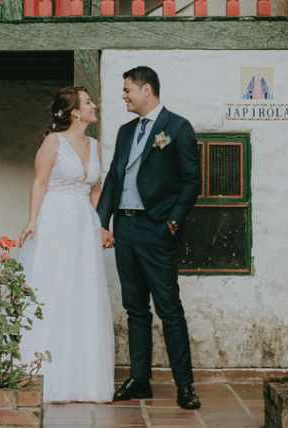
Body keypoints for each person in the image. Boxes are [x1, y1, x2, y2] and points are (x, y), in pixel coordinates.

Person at [97, 66, 202, 411]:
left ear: (146, 90)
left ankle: (184, 386)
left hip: (157, 229)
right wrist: (103, 222)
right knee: (135, 308)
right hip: (125, 229)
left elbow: (191, 181)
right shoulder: (126, 131)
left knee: (169, 309)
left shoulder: (177, 127)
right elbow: (113, 178)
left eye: (128, 90)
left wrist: (172, 221)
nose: (123, 96)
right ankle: (140, 379)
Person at [17, 86, 114, 403]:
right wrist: (32, 220)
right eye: (88, 102)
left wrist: (101, 225)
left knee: (82, 292)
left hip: (84, 225)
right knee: (53, 289)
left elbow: (95, 189)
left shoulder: (95, 145)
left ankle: (82, 379)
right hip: (56, 221)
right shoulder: (53, 142)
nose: (93, 105)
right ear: (74, 111)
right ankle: (44, 372)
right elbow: (40, 182)